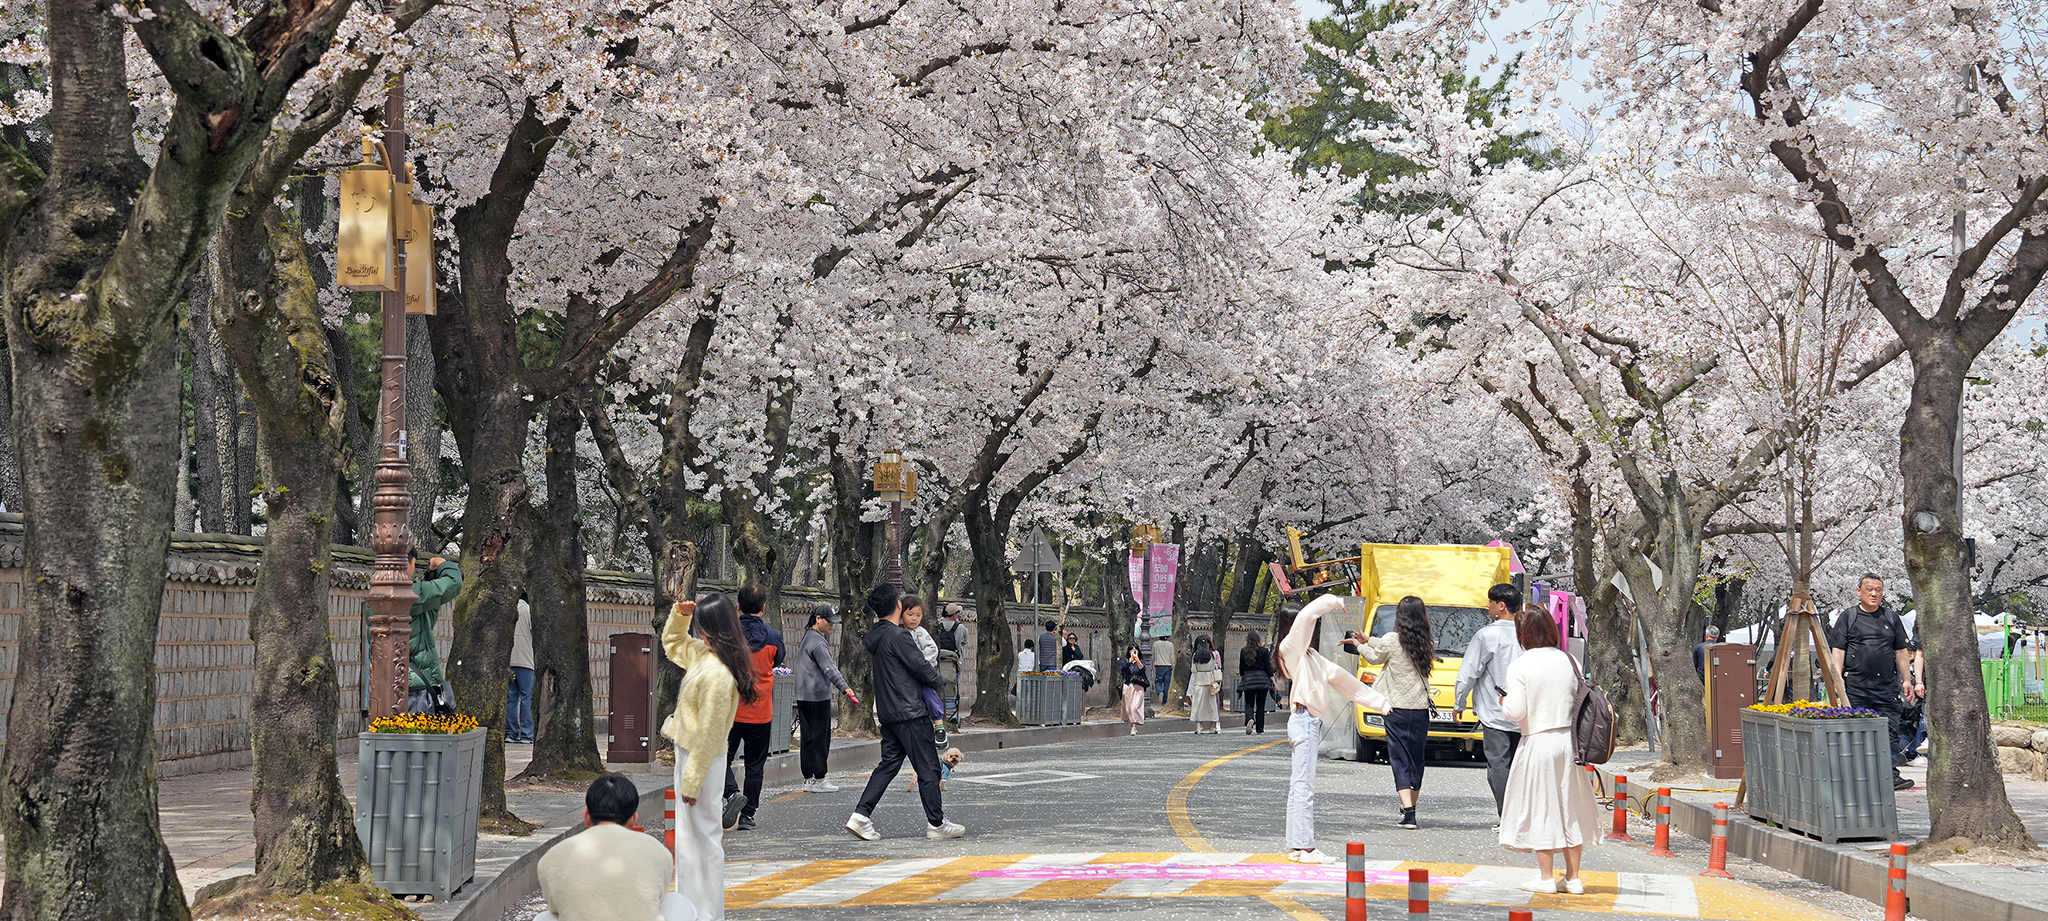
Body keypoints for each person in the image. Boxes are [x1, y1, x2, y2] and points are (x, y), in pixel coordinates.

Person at [660, 594, 758, 921]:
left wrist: (691, 779)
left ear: (712, 628)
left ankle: (708, 913)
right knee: (690, 843)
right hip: (692, 756)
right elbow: (673, 644)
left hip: (701, 761)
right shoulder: (704, 656)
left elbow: (712, 733)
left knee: (704, 841)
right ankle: (691, 910)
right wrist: (680, 615)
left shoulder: (718, 674)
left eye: (700, 624)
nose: (696, 631)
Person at [1278, 595, 1393, 864]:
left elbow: (1344, 681)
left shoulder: (1309, 655)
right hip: (1304, 720)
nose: (1311, 628)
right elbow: (1307, 618)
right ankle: (1304, 847)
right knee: (1304, 787)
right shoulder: (1290, 647)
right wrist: (1333, 600)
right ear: (1293, 626)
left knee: (1300, 786)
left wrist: (1381, 704)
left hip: (1306, 721)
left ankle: (1297, 846)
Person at [1498, 603, 1602, 895]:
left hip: (1539, 742)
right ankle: (1574, 878)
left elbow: (1516, 711)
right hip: (1569, 744)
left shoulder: (1521, 665)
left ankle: (1545, 878)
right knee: (1571, 806)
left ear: (1523, 634)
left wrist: (1502, 702)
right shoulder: (1570, 661)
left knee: (1542, 807)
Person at [846, 582, 961, 841]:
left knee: (888, 765)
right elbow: (921, 667)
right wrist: (938, 680)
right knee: (929, 767)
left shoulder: (878, 636)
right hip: (910, 712)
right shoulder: (898, 636)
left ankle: (861, 816)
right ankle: (937, 824)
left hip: (888, 713)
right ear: (898, 605)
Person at [535, 775, 689, 921]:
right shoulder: (658, 851)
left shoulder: (552, 857)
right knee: (677, 901)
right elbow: (658, 898)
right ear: (633, 819)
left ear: (587, 817)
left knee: (544, 917)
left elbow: (556, 907)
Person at [1352, 596, 1437, 830]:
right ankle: (1412, 807)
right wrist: (1369, 639)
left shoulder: (1391, 639)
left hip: (1395, 709)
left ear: (1400, 616)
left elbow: (1376, 656)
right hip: (1419, 709)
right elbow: (1390, 645)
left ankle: (1409, 813)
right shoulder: (1426, 641)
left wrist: (1359, 645)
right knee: (1415, 758)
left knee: (1399, 758)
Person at [1829, 573, 1915, 791]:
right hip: (1857, 687)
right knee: (1856, 731)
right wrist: (1837, 677)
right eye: (1869, 589)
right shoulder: (1849, 617)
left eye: (1878, 589)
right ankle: (1856, 776)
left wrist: (1907, 679)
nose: (1874, 593)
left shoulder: (1891, 617)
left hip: (1886, 687)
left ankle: (1890, 776)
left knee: (1890, 730)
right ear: (1859, 591)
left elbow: (1901, 651)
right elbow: (1838, 649)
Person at [1454, 582, 1526, 820]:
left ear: (1501, 606)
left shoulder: (1487, 634)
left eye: (1490, 602)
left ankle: (1507, 817)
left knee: (1498, 765)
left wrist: (1459, 702)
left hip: (1495, 712)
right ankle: (1522, 815)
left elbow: (1469, 671)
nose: (1487, 606)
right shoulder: (1528, 632)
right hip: (1526, 712)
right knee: (1521, 767)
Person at [722, 584, 785, 831]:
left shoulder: (728, 636)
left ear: (738, 606)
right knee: (755, 766)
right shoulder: (773, 637)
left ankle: (731, 793)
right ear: (763, 608)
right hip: (761, 711)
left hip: (731, 710)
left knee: (721, 759)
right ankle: (748, 815)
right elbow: (778, 661)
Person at [794, 604, 859, 792]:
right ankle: (820, 778)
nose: (832, 625)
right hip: (817, 696)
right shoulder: (818, 642)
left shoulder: (807, 637)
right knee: (821, 738)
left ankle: (808, 779)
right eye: (829, 622)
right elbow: (829, 668)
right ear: (818, 619)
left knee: (808, 738)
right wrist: (845, 688)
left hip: (804, 695)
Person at [406, 556, 463, 714]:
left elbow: (431, 603)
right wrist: (442, 564)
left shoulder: (378, 592)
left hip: (394, 685)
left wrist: (430, 578)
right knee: (418, 737)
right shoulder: (409, 595)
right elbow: (454, 582)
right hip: (415, 688)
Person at [902, 595, 949, 746]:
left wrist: (919, 661)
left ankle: (939, 725)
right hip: (906, 675)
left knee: (929, 694)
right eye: (910, 615)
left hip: (922, 672)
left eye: (918, 615)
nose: (914, 619)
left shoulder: (921, 632)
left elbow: (932, 649)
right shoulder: (897, 632)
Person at [506, 597, 535, 743]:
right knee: (527, 697)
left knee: (511, 698)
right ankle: (527, 734)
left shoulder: (505, 609)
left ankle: (510, 732)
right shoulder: (528, 610)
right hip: (526, 660)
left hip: (509, 659)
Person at [934, 604, 966, 726]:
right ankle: (951, 713)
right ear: (954, 615)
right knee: (953, 686)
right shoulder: (961, 628)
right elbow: (965, 641)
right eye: (957, 612)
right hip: (955, 661)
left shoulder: (938, 626)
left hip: (940, 661)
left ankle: (940, 712)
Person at [1238, 629, 1273, 735]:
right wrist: (1272, 679)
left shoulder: (1244, 651)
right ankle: (1259, 729)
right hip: (1262, 680)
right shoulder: (1264, 651)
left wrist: (1243, 677)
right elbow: (1268, 667)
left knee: (1249, 703)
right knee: (1260, 705)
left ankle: (1249, 718)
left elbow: (1241, 668)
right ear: (1258, 639)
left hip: (1249, 679)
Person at [1186, 634, 1222, 733]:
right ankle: (1216, 725)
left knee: (1198, 705)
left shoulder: (1195, 656)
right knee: (1212, 704)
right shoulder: (1212, 654)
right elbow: (1214, 667)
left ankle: (1199, 726)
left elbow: (1193, 670)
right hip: (1210, 681)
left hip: (1199, 681)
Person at [1901, 636, 1927, 766]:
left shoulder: (1918, 670)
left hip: (1915, 710)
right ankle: (1911, 751)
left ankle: (1913, 751)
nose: (1910, 653)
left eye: (1912, 650)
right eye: (1907, 650)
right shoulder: (1902, 669)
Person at [1119, 646, 1149, 734]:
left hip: (1138, 686)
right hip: (1128, 686)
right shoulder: (1126, 661)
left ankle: (1134, 727)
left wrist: (1137, 660)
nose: (1134, 652)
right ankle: (1132, 723)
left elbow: (1142, 669)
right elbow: (1122, 669)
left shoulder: (1141, 661)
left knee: (1135, 707)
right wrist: (1129, 661)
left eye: (1135, 650)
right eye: (1132, 650)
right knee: (1128, 708)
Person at [1152, 635, 1176, 704]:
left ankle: (1160, 692)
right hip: (1168, 666)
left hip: (1159, 665)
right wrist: (1172, 664)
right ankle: (1165, 701)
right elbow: (1172, 656)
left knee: (1158, 682)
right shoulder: (1170, 644)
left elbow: (1153, 654)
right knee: (1167, 684)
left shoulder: (1155, 644)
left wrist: (1154, 662)